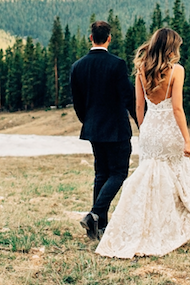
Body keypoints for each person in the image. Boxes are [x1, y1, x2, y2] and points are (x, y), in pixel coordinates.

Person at [96, 27, 190, 258]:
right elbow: (177, 108)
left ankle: (141, 226)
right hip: (169, 129)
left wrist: (145, 130)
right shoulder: (176, 71)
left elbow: (139, 106)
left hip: (150, 129)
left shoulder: (142, 69)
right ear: (171, 47)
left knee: (149, 178)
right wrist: (187, 139)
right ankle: (168, 228)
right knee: (172, 179)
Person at [70, 20, 137, 241]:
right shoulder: (116, 64)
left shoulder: (77, 66)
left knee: (101, 174)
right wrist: (141, 122)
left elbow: (78, 102)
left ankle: (99, 227)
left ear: (91, 38)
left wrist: (87, 121)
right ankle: (95, 215)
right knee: (118, 173)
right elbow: (128, 97)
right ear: (109, 38)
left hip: (93, 128)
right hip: (116, 128)